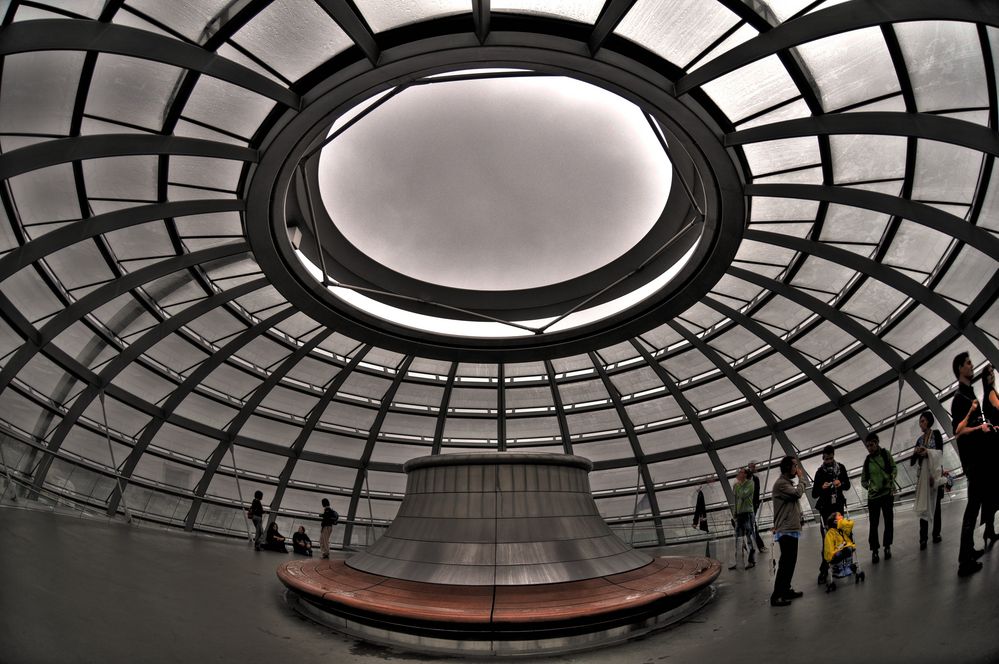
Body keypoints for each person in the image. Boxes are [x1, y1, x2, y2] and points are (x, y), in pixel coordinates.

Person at [951, 352, 992, 576]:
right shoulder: (960, 399)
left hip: (978, 460)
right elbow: (958, 432)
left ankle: (966, 552)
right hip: (974, 462)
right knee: (972, 508)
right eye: (968, 363)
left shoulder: (968, 394)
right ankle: (964, 562)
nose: (971, 365)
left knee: (975, 506)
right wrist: (979, 429)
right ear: (960, 368)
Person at [770, 455, 808, 607]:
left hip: (790, 528)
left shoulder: (786, 483)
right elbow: (798, 493)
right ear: (787, 468)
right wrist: (802, 479)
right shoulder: (781, 484)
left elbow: (792, 503)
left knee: (790, 562)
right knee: (785, 563)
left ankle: (786, 589)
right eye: (794, 466)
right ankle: (776, 596)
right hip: (785, 530)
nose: (796, 469)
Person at [812, 446, 850, 584]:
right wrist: (822, 488)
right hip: (825, 509)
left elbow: (847, 485)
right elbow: (814, 493)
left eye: (831, 458)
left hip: (838, 507)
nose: (829, 461)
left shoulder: (841, 468)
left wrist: (841, 483)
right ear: (823, 457)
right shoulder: (819, 473)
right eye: (826, 459)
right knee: (827, 540)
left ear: (834, 456)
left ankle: (843, 565)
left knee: (841, 536)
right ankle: (824, 569)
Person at [910, 410, 945, 549]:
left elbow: (940, 452)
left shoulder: (935, 434)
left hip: (934, 474)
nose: (921, 423)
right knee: (924, 506)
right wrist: (916, 453)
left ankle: (936, 534)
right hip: (924, 477)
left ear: (929, 421)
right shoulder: (919, 440)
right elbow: (913, 462)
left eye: (923, 420)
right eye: (920, 421)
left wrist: (927, 452)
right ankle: (923, 538)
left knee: (936, 506)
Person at [861, 432, 896, 563]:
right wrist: (871, 487)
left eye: (871, 445)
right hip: (874, 498)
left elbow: (894, 468)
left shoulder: (886, 455)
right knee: (873, 524)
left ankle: (887, 547)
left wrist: (890, 479)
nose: (869, 448)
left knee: (888, 521)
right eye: (867, 446)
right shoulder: (867, 461)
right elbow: (863, 480)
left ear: (877, 443)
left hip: (886, 495)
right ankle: (874, 550)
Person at [980, 364, 998, 549]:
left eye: (992, 373)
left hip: (992, 444)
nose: (992, 375)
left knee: (993, 489)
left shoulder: (988, 394)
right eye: (989, 374)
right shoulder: (991, 394)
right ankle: (990, 529)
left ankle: (990, 529)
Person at [729, 468, 756, 571]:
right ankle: (739, 562)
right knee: (738, 539)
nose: (738, 473)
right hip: (740, 515)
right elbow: (736, 500)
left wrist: (738, 485)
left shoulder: (750, 484)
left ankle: (751, 561)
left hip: (748, 514)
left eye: (740, 472)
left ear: (745, 474)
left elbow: (743, 495)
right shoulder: (737, 485)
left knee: (749, 538)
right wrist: (735, 512)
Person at [746, 461, 767, 552]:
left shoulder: (756, 479)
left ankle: (758, 546)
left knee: (752, 525)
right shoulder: (744, 481)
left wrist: (756, 504)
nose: (752, 469)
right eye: (751, 467)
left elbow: (757, 492)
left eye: (753, 467)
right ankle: (757, 546)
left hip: (753, 506)